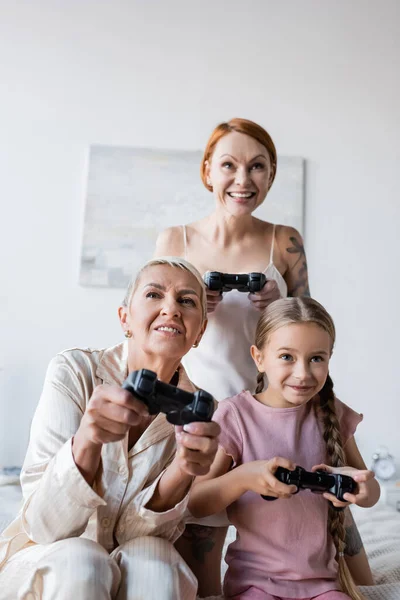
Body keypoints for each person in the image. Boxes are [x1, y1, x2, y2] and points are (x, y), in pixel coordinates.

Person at [154, 118, 373, 594]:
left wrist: (274, 302)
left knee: (317, 499)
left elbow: (308, 323)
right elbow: (158, 332)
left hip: (279, 402)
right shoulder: (177, 242)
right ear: (207, 169)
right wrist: (195, 307)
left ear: (271, 175)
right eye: (229, 165)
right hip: (206, 410)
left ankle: (351, 579)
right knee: (205, 550)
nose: (243, 179)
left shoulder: (285, 241)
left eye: (258, 167)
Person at [0, 257, 220, 600]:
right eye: (154, 295)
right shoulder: (73, 371)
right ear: (125, 318)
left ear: (200, 332)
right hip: (47, 557)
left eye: (186, 301)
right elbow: (46, 527)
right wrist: (87, 439)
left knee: (156, 563)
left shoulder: (202, 414)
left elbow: (134, 537)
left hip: (133, 556)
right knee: (84, 560)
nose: (171, 309)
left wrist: (181, 471)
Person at [188, 297, 380, 600]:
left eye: (316, 358)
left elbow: (369, 489)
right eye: (287, 357)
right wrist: (244, 478)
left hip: (323, 584)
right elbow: (197, 503)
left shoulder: (333, 413)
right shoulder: (235, 416)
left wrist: (363, 489)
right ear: (259, 357)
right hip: (255, 585)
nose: (303, 373)